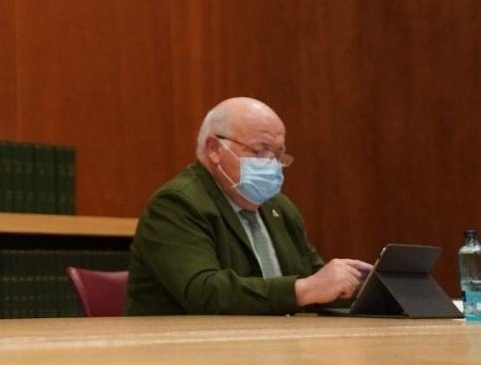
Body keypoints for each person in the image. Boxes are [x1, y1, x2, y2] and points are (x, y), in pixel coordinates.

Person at [125, 97, 372, 315]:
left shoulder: (279, 208)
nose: (272, 165)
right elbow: (205, 292)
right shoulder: (176, 204)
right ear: (214, 149)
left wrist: (368, 288)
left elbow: (317, 282)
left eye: (278, 155)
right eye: (261, 151)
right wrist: (303, 289)